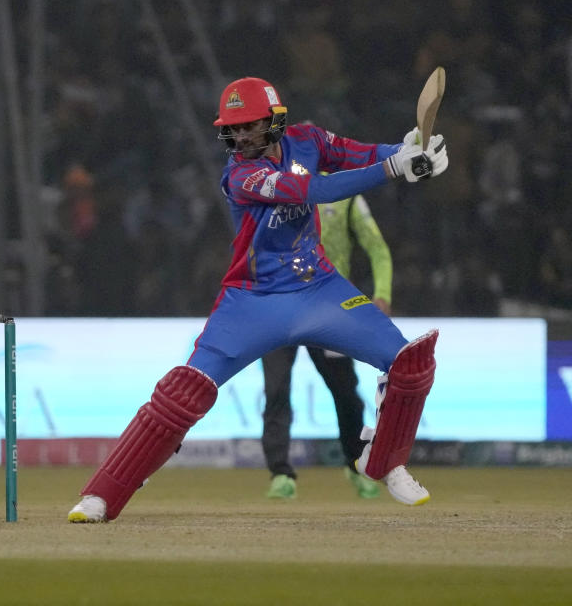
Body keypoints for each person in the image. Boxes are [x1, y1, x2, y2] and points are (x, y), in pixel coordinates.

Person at [68, 77, 448, 522]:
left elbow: (356, 153)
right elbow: (313, 191)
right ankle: (102, 495)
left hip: (318, 288)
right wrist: (395, 168)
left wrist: (405, 153)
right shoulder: (240, 175)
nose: (242, 136)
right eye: (235, 128)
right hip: (252, 302)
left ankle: (383, 463)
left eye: (250, 125)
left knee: (410, 362)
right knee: (183, 392)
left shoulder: (308, 140)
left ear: (274, 120)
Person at [261, 194, 392, 500]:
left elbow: (377, 248)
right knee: (276, 389)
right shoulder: (276, 188)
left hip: (329, 312)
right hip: (279, 309)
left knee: (346, 393)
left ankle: (354, 463)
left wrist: (382, 293)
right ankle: (280, 474)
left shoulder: (346, 194)